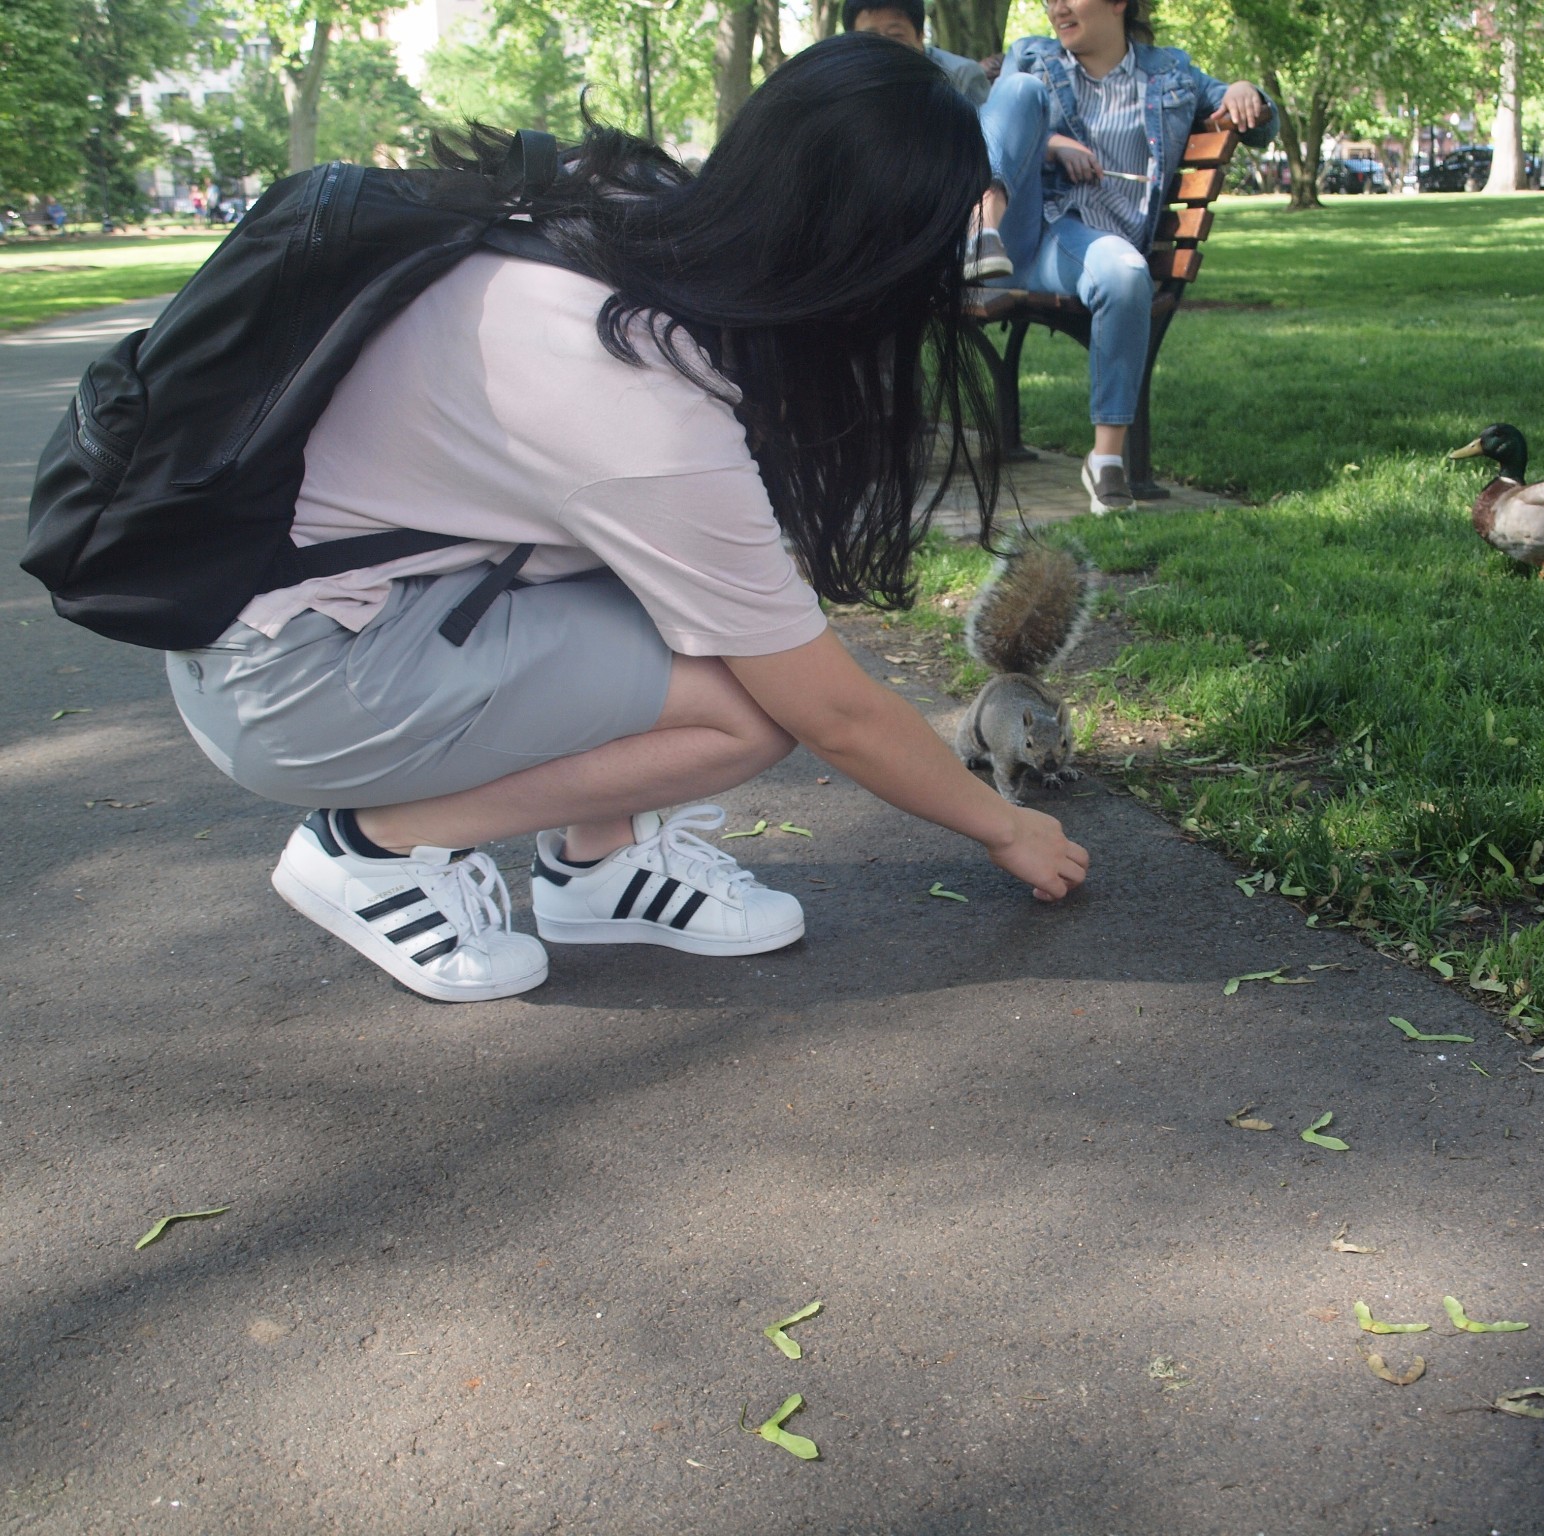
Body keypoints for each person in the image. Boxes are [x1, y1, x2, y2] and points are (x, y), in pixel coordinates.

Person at [162, 33, 1089, 1005]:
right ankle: (373, 846)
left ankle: (600, 865)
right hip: (295, 680)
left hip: (289, 613)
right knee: (746, 707)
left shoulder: (629, 212)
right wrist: (1004, 826)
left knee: (725, 652)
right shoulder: (641, 392)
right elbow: (834, 712)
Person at [964, 0, 1273, 514]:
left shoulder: (1171, 74)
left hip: (1092, 245)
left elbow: (1258, 122)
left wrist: (1249, 93)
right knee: (1019, 90)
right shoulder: (1033, 58)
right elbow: (987, 132)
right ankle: (982, 223)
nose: (1055, 7)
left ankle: (1106, 461)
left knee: (1127, 272)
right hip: (1023, 233)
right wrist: (1051, 144)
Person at [843, 0, 995, 105]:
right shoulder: (839, 83)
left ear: (920, 35)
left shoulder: (960, 76)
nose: (884, 47)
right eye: (870, 38)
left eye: (896, 35)